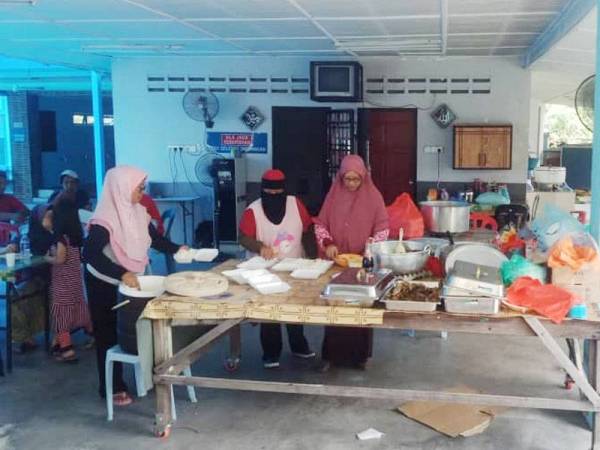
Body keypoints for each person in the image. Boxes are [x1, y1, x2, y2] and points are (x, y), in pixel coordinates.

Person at [82, 166, 184, 406]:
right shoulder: (104, 220)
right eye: (138, 189)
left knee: (137, 328)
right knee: (107, 333)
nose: (142, 193)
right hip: (102, 281)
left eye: (142, 188)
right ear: (122, 189)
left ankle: (148, 375)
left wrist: (177, 248)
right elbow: (90, 255)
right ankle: (111, 386)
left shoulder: (139, 212)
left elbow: (155, 239)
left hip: (128, 280)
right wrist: (121, 272)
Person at [314, 155, 389, 371]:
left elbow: (383, 227)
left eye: (356, 179)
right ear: (341, 177)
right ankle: (332, 357)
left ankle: (360, 357)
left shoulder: (374, 197)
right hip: (338, 263)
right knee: (336, 306)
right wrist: (327, 243)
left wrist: (371, 246)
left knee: (360, 306)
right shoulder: (333, 195)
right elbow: (320, 224)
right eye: (347, 179)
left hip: (363, 264)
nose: (351, 184)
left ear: (363, 177)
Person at [239, 169, 316, 369]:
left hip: (294, 267)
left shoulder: (295, 204)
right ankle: (271, 353)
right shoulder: (252, 210)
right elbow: (243, 238)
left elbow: (308, 229)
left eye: (277, 194)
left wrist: (313, 257)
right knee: (270, 313)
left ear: (284, 190)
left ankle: (299, 346)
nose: (274, 197)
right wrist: (259, 247)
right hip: (267, 270)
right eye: (269, 194)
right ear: (262, 191)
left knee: (296, 310)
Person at [46, 199, 92, 362]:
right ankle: (92, 334)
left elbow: (60, 259)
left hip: (62, 283)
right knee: (79, 308)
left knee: (61, 316)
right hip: (75, 282)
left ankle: (66, 350)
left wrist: (48, 258)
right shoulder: (75, 237)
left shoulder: (61, 239)